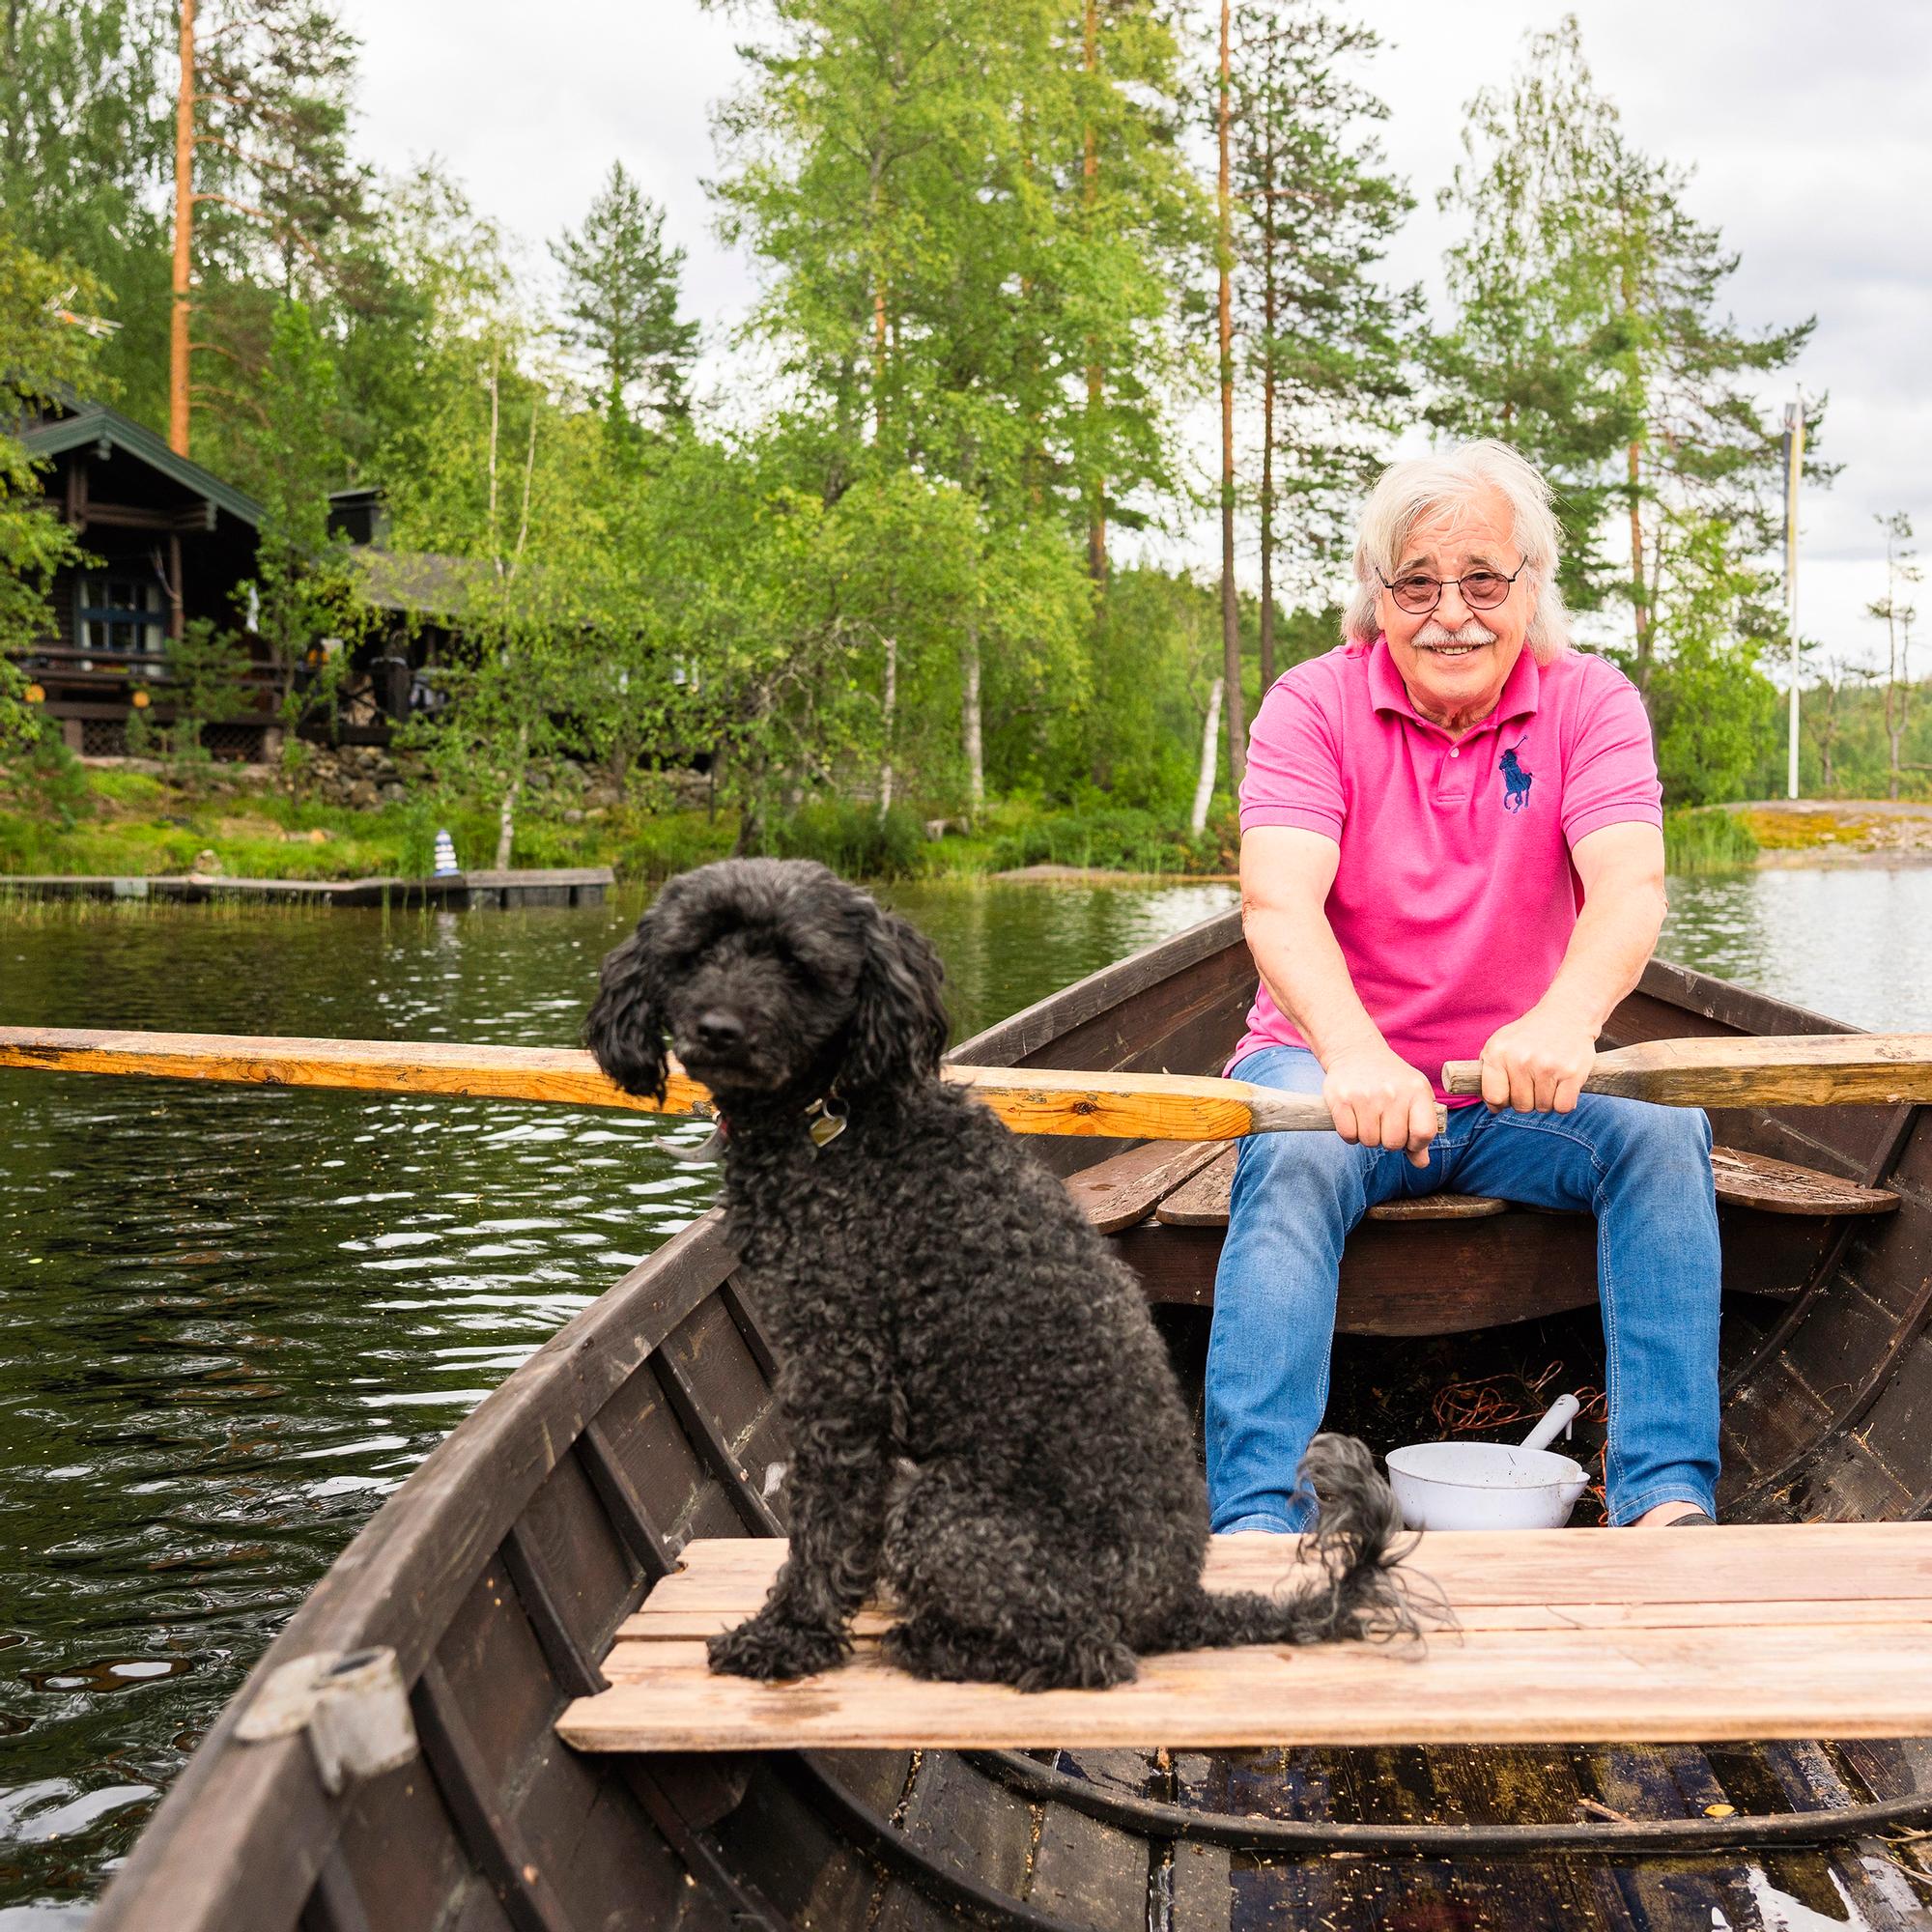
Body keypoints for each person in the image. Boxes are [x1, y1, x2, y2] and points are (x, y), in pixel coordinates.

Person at [1208, 439, 1719, 1534]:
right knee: (1290, 1153)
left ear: (1529, 587)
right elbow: (1276, 908)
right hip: (1331, 1072)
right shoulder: (1309, 704)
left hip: (1514, 1083)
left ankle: (1664, 1497)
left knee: (1663, 1131)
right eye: (1416, 582)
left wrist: (1562, 1019)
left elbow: (1628, 888)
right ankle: (1255, 1519)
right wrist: (1352, 1055)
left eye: (1483, 579)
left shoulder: (1589, 702)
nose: (1452, 611)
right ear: (1376, 594)